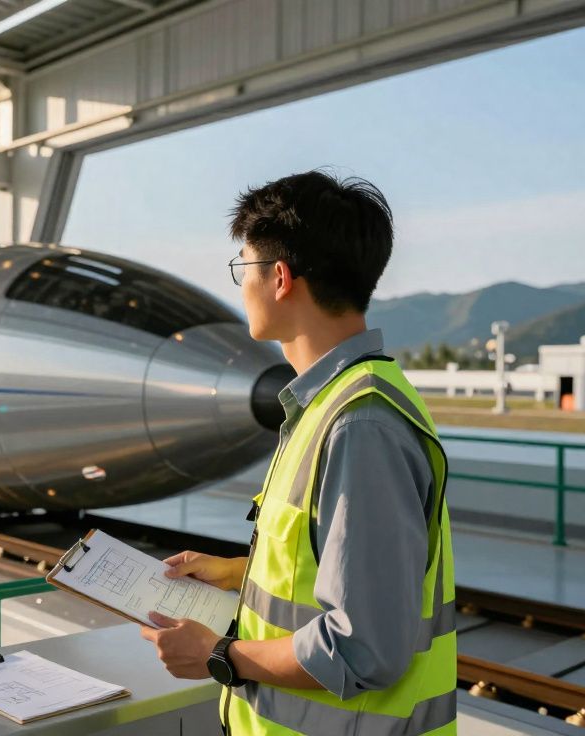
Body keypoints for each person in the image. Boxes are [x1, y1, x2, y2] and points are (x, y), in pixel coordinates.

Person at [139, 171, 456, 735]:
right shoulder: (336, 403)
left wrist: (218, 655)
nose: (243, 285)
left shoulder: (358, 425)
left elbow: (364, 648)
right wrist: (240, 572)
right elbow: (338, 565)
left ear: (280, 278)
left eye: (244, 267)